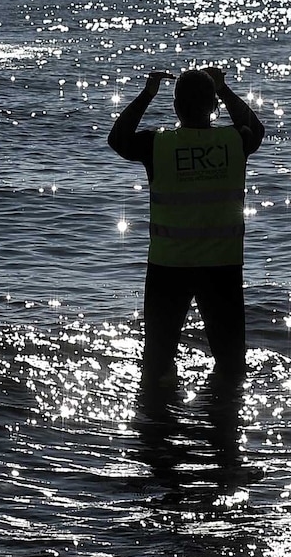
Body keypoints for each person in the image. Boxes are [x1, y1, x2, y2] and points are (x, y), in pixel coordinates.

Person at [108, 66, 264, 390]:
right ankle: (224, 428)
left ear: (176, 107)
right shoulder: (234, 140)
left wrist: (147, 94)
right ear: (212, 108)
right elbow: (256, 128)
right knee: (232, 367)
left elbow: (118, 138)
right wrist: (223, 89)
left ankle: (156, 429)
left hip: (169, 267)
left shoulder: (158, 145)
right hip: (222, 268)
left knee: (156, 366)